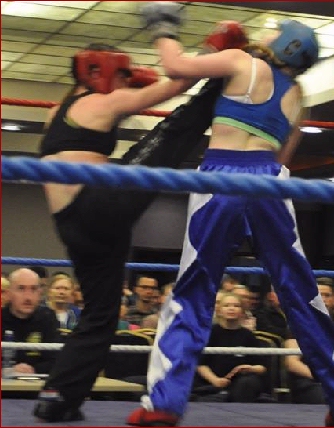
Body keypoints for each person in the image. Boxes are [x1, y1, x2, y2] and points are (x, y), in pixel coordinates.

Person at [127, 4, 334, 427]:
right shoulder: (299, 98)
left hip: (222, 176)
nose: (266, 33)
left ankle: (164, 403)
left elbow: (176, 67)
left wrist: (163, 25)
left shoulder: (242, 62)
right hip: (272, 183)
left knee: (193, 290)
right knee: (301, 292)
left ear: (286, 44)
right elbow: (283, 159)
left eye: (275, 31)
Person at [33, 21, 248, 422]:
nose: (123, 81)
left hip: (71, 224)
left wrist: (130, 81)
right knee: (171, 131)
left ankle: (58, 396)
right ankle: (220, 78)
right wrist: (212, 54)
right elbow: (176, 84)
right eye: (120, 73)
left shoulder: (54, 113)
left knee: (100, 315)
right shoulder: (101, 103)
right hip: (97, 206)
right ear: (99, 71)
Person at [1, 268, 59, 375]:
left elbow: (57, 360)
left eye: (33, 289)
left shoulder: (48, 317)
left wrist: (34, 370)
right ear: (9, 293)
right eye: (21, 289)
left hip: (38, 382)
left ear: (40, 293)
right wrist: (6, 371)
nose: (28, 297)